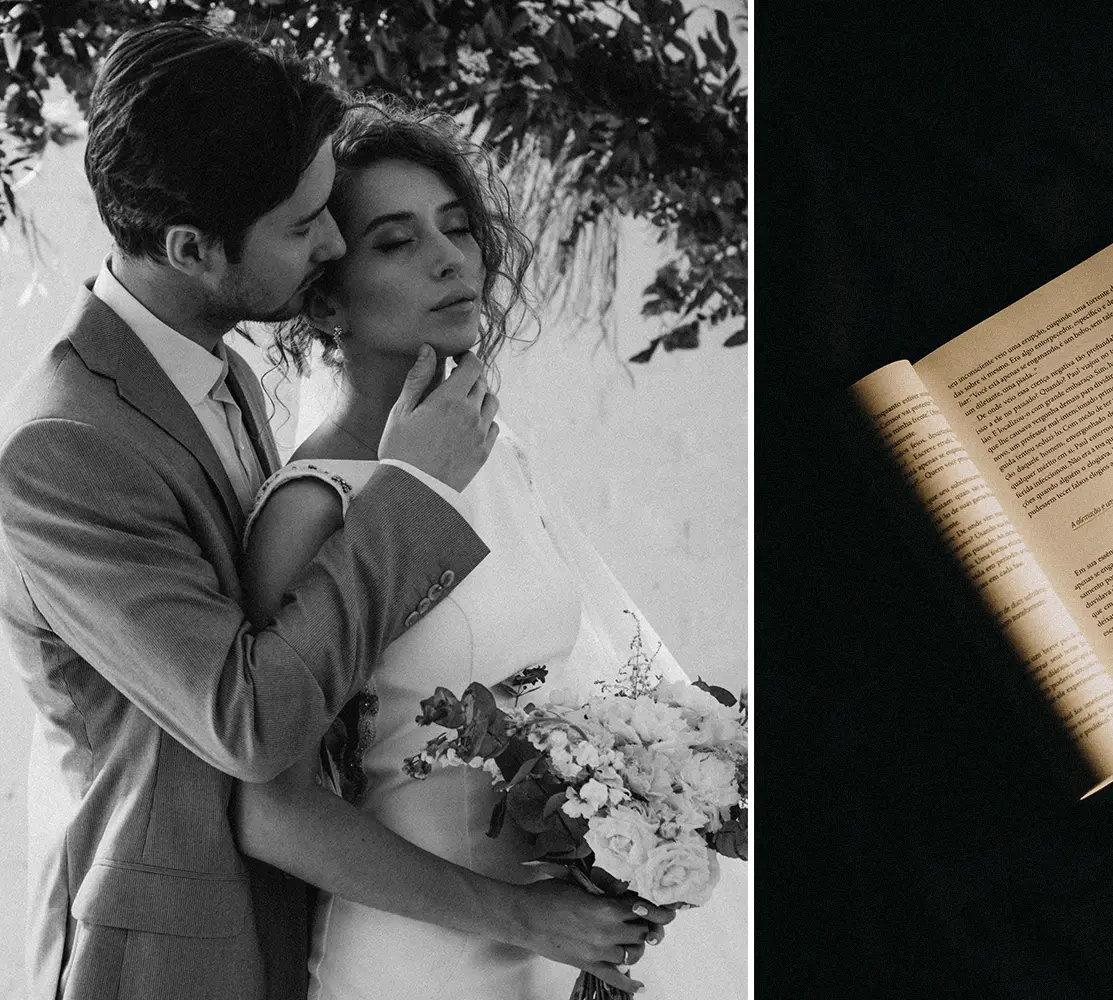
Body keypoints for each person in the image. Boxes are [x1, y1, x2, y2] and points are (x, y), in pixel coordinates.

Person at [0, 21, 654, 1000]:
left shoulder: (224, 379)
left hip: (334, 917)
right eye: (306, 226)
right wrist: (417, 489)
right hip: (177, 951)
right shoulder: (64, 448)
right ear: (190, 246)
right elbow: (251, 720)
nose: (334, 241)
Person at [230, 96, 689, 998]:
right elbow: (271, 812)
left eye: (457, 227)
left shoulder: (494, 453)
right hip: (414, 956)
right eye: (397, 242)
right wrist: (525, 916)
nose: (451, 258)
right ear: (325, 296)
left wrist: (636, 834)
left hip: (555, 949)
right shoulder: (311, 505)